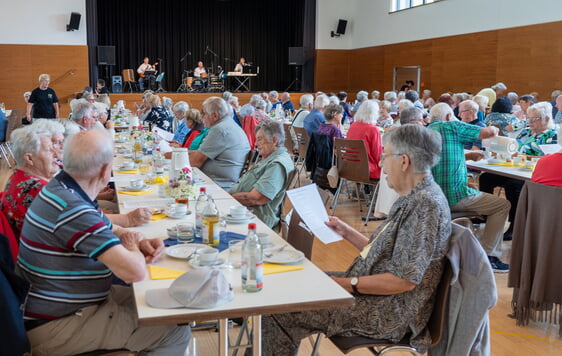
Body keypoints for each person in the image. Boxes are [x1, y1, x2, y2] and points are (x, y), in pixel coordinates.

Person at [259, 124, 451, 355]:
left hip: (387, 312)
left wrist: (346, 284)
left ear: (404, 161)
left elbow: (404, 281)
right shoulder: (413, 196)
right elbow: (384, 250)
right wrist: (346, 231)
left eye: (384, 156)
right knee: (291, 284)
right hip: (372, 294)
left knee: (280, 307)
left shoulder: (425, 205)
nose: (381, 164)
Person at [16, 129, 190, 355]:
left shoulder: (63, 188)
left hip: (58, 309)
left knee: (163, 302)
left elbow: (108, 226)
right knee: (175, 330)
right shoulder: (73, 208)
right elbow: (134, 272)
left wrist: (138, 238)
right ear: (106, 170)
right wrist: (130, 243)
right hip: (58, 326)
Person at [428, 103, 510, 272]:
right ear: (450, 116)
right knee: (502, 205)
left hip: (432, 197)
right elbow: (488, 132)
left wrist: (468, 156)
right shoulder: (451, 125)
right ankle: (489, 256)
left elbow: (443, 158)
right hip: (455, 196)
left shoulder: (425, 131)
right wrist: (495, 127)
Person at [479, 102, 558, 241]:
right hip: (513, 168)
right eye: (529, 118)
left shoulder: (552, 135)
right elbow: (514, 147)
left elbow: (551, 158)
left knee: (513, 185)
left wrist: (525, 156)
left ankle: (515, 226)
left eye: (534, 119)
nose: (530, 122)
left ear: (546, 118)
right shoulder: (526, 131)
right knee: (486, 178)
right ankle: (484, 215)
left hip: (533, 174)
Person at [230, 120, 294, 230]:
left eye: (259, 139)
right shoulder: (270, 158)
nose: (255, 144)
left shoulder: (277, 165)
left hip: (255, 220)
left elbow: (256, 198)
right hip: (244, 212)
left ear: (274, 140)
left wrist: (227, 199)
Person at [0, 127, 59, 236]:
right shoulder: (39, 189)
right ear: (29, 159)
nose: (56, 154)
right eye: (49, 150)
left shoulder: (16, 177)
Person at [189, 97, 250, 190]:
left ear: (215, 116)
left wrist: (174, 158)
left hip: (218, 184)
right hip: (221, 180)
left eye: (204, 113)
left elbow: (195, 161)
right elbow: (199, 153)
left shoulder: (219, 130)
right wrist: (176, 153)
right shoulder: (228, 124)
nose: (202, 118)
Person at [346, 101, 383, 179]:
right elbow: (377, 155)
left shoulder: (353, 125)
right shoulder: (373, 129)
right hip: (367, 169)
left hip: (349, 166)